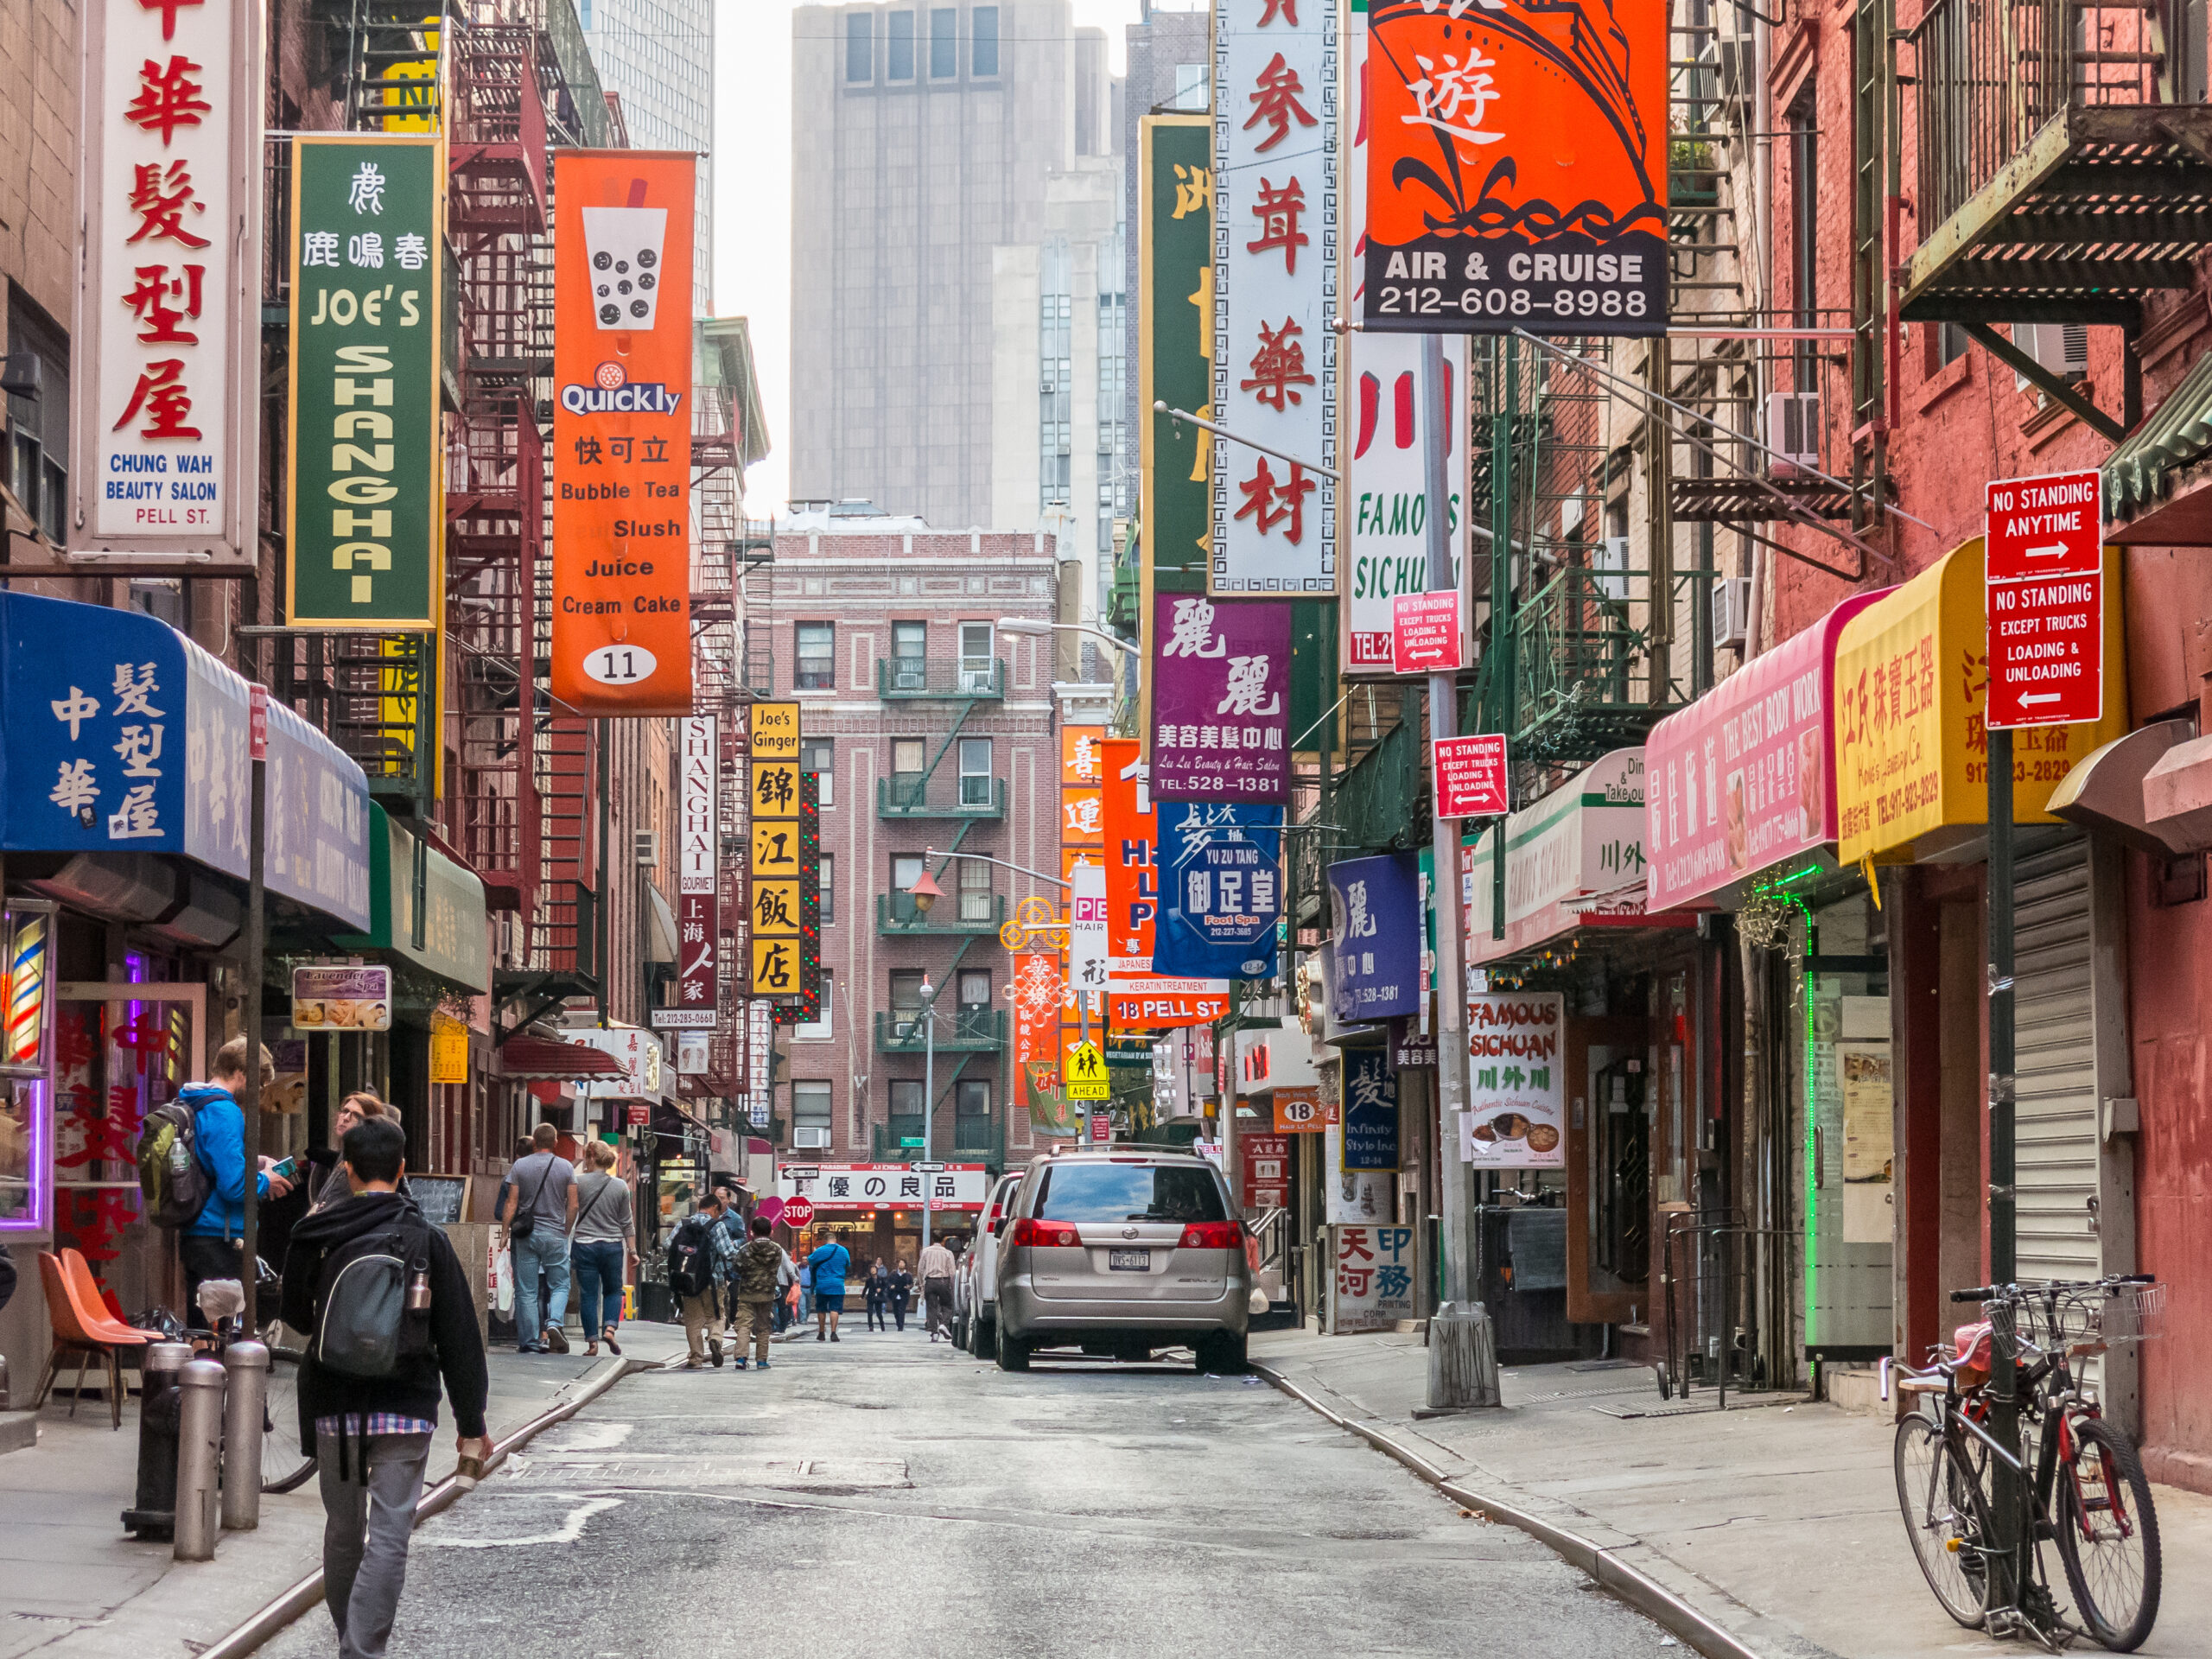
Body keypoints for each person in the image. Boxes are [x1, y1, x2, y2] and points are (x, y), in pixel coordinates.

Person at [281, 1116, 489, 1659]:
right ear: (402, 1170)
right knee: (391, 1534)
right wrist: (473, 1427)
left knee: (343, 1530)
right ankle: (361, 1649)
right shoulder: (428, 1239)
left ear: (346, 1170)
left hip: (333, 1402)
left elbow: (296, 1320)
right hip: (406, 1403)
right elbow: (460, 1339)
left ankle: (349, 1638)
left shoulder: (316, 1233)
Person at [181, 1037, 295, 1321]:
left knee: (204, 1323)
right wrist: (265, 1181)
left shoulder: (198, 1101)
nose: (257, 1092)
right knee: (221, 1329)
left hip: (200, 1231)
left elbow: (209, 1159)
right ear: (242, 1074)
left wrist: (255, 1164)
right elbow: (234, 1187)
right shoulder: (225, 1111)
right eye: (257, 1083)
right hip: (220, 1235)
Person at [499, 1124, 577, 1354]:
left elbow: (511, 1201)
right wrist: (566, 1230)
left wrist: (505, 1232)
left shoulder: (520, 1165)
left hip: (527, 1235)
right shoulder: (566, 1167)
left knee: (526, 1291)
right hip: (555, 1234)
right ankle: (554, 1322)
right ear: (555, 1142)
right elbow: (573, 1204)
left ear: (534, 1142)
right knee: (560, 1284)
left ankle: (530, 1342)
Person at [569, 1140, 634, 1358]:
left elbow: (569, 1209)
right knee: (613, 1290)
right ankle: (609, 1329)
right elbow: (627, 1222)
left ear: (590, 1158)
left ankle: (592, 1344)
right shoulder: (620, 1186)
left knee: (588, 1295)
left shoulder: (578, 1183)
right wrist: (633, 1250)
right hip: (612, 1246)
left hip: (584, 1245)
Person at [670, 1192, 734, 1368]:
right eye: (718, 1212)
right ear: (714, 1208)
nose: (719, 1215)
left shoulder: (684, 1223)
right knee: (717, 1315)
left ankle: (696, 1358)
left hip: (688, 1281)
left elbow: (668, 1244)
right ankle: (715, 1339)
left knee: (692, 1320)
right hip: (713, 1282)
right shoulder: (717, 1225)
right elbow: (728, 1253)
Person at [308, 1094, 392, 1214]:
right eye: (345, 1111)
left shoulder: (364, 1158)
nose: (346, 1118)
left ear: (370, 1124)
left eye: (357, 1115)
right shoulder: (347, 1153)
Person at [728, 1216, 784, 1370]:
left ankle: (741, 1358)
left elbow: (737, 1267)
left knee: (744, 1324)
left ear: (752, 1232)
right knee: (764, 1326)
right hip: (767, 1293)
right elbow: (775, 1267)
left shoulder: (745, 1249)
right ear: (771, 1232)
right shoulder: (777, 1249)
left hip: (747, 1292)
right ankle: (761, 1360)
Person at [807, 1230, 851, 1343]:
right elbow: (847, 1264)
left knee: (821, 1309)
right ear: (835, 1239)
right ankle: (833, 1332)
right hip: (837, 1284)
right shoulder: (843, 1250)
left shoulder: (821, 1250)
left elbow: (810, 1260)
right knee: (834, 1309)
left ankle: (821, 1333)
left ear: (825, 1240)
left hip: (822, 1284)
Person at [918, 1235, 957, 1343]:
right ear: (943, 1241)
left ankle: (934, 1333)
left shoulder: (926, 1252)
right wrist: (952, 1286)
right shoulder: (948, 1253)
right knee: (947, 1305)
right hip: (943, 1281)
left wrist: (922, 1284)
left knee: (931, 1308)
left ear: (932, 1240)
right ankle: (944, 1324)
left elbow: (920, 1270)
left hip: (929, 1281)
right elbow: (952, 1272)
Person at [887, 1257, 914, 1332]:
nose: (901, 1264)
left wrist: (909, 1287)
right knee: (896, 1311)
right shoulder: (893, 1273)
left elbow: (912, 1283)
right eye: (900, 1263)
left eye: (903, 1263)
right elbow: (888, 1282)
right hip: (895, 1293)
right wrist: (891, 1286)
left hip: (904, 1294)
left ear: (905, 1265)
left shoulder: (908, 1274)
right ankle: (898, 1323)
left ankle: (901, 1326)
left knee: (901, 1310)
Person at [863, 1257, 889, 1332]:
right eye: (871, 1270)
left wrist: (881, 1289)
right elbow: (866, 1288)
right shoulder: (869, 1280)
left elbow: (885, 1286)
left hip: (879, 1297)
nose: (873, 1271)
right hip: (871, 1297)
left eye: (874, 1269)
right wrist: (862, 1296)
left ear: (876, 1270)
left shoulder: (880, 1278)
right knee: (869, 1312)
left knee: (879, 1314)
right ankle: (871, 1326)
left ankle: (882, 1325)